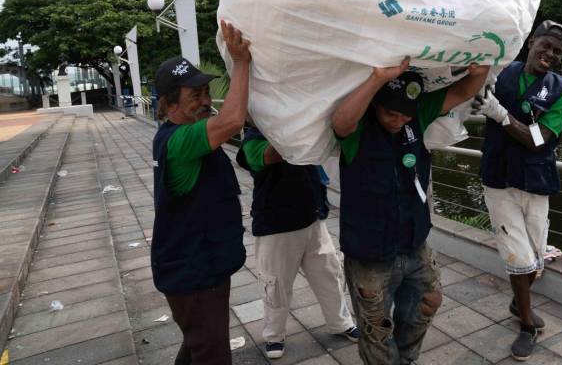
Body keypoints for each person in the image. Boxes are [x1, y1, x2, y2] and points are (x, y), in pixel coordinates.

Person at [331, 58, 489, 365]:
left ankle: (404, 358)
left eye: (405, 115)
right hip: (370, 253)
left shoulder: (416, 115)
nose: (398, 120)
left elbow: (462, 91)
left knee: (429, 301)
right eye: (391, 112)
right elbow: (340, 123)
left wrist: (479, 73)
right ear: (375, 104)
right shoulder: (357, 126)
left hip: (414, 243)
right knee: (376, 329)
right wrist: (378, 77)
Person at [471, 20, 562, 361]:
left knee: (534, 257)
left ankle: (519, 301)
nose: (550, 54)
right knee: (517, 256)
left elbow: (539, 140)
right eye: (545, 45)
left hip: (536, 179)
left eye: (557, 51)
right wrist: (474, 99)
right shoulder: (500, 72)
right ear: (531, 42)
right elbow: (470, 87)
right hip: (498, 178)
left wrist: (500, 115)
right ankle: (527, 325)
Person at [151, 21, 251, 365]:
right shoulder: (180, 141)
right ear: (169, 105)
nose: (207, 101)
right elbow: (233, 119)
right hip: (192, 274)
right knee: (212, 354)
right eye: (195, 96)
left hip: (198, 266)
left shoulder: (182, 134)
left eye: (206, 93)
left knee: (198, 346)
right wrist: (242, 62)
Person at [236, 126, 360, 359]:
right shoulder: (253, 139)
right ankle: (274, 335)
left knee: (330, 274)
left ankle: (340, 322)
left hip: (313, 218)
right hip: (276, 225)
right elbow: (269, 155)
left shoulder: (304, 128)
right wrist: (301, 124)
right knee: (276, 285)